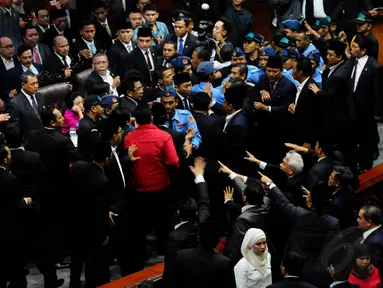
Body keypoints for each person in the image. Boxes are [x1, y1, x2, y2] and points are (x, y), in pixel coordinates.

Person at [124, 106, 179, 263]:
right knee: (164, 222)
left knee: (140, 224)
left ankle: (142, 255)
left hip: (139, 189)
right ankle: (164, 250)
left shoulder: (129, 138)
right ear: (152, 118)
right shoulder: (164, 136)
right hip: (161, 186)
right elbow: (174, 161)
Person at [69, 141, 112, 288]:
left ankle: (74, 284)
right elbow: (100, 211)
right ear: (107, 159)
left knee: (76, 258)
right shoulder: (102, 180)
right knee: (93, 259)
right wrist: (104, 233)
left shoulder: (78, 166)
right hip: (93, 226)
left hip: (75, 221)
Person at [5, 72, 43, 141]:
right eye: (32, 84)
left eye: (37, 82)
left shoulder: (39, 96)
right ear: (23, 85)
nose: (36, 86)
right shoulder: (14, 103)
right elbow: (14, 128)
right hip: (28, 141)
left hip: (44, 135)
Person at [78, 95, 104, 161]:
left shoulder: (96, 121)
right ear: (93, 109)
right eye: (101, 106)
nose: (103, 109)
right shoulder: (87, 127)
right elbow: (92, 151)